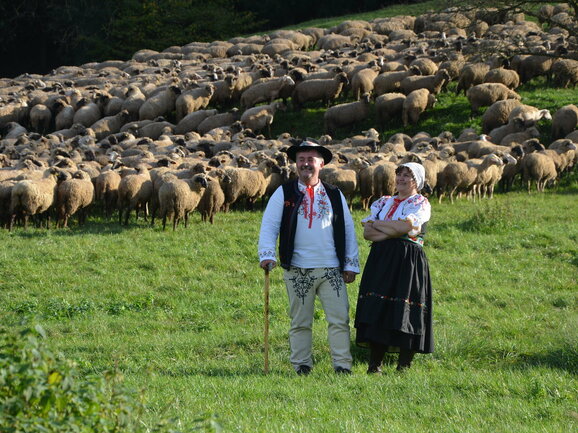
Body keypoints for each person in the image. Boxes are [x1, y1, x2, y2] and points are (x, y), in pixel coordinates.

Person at [258, 139, 360, 375]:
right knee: (300, 321)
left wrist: (350, 264)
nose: (305, 164)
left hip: (331, 268)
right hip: (297, 268)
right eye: (301, 159)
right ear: (295, 164)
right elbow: (269, 226)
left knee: (339, 320)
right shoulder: (284, 193)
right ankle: (302, 365)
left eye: (310, 159)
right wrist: (266, 253)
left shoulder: (334, 195)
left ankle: (342, 365)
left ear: (321, 164)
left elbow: (347, 229)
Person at [354, 162, 433, 373]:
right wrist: (394, 229)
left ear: (417, 181)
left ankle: (403, 366)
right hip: (381, 257)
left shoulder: (420, 202)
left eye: (408, 176)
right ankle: (374, 365)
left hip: (408, 259)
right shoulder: (383, 202)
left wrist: (381, 226)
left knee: (405, 307)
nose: (402, 179)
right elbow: (367, 234)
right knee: (378, 306)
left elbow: (406, 226)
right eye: (399, 175)